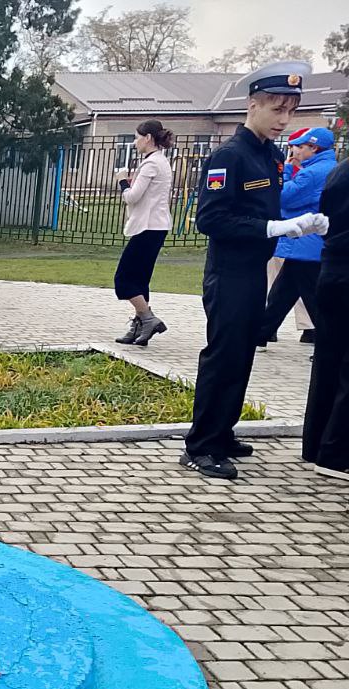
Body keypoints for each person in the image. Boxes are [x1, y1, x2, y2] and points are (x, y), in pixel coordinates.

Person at [179, 61, 329, 481]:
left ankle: (222, 432)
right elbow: (211, 219)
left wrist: (300, 223)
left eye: (290, 111)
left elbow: (266, 206)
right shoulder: (230, 155)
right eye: (276, 109)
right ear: (253, 106)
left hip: (253, 270)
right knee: (223, 355)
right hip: (228, 272)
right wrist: (273, 228)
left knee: (243, 353)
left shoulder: (271, 155)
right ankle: (200, 446)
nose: (284, 120)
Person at [258, 127, 337, 349]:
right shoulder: (329, 167)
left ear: (314, 148)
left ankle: (331, 343)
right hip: (308, 243)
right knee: (283, 292)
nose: (295, 150)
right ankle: (261, 333)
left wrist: (286, 171)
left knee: (313, 298)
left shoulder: (311, 173)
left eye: (300, 146)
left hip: (305, 242)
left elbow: (283, 197)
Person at [304, 153, 349, 482]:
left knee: (328, 360)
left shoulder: (339, 170)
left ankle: (316, 444)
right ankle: (336, 454)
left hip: (332, 267)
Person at [114, 119, 174, 348]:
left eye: (137, 137)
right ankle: (140, 327)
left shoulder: (151, 164)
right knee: (140, 279)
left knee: (123, 279)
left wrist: (122, 181)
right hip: (156, 226)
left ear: (148, 138)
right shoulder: (161, 161)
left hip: (148, 227)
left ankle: (148, 319)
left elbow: (132, 197)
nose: (135, 142)